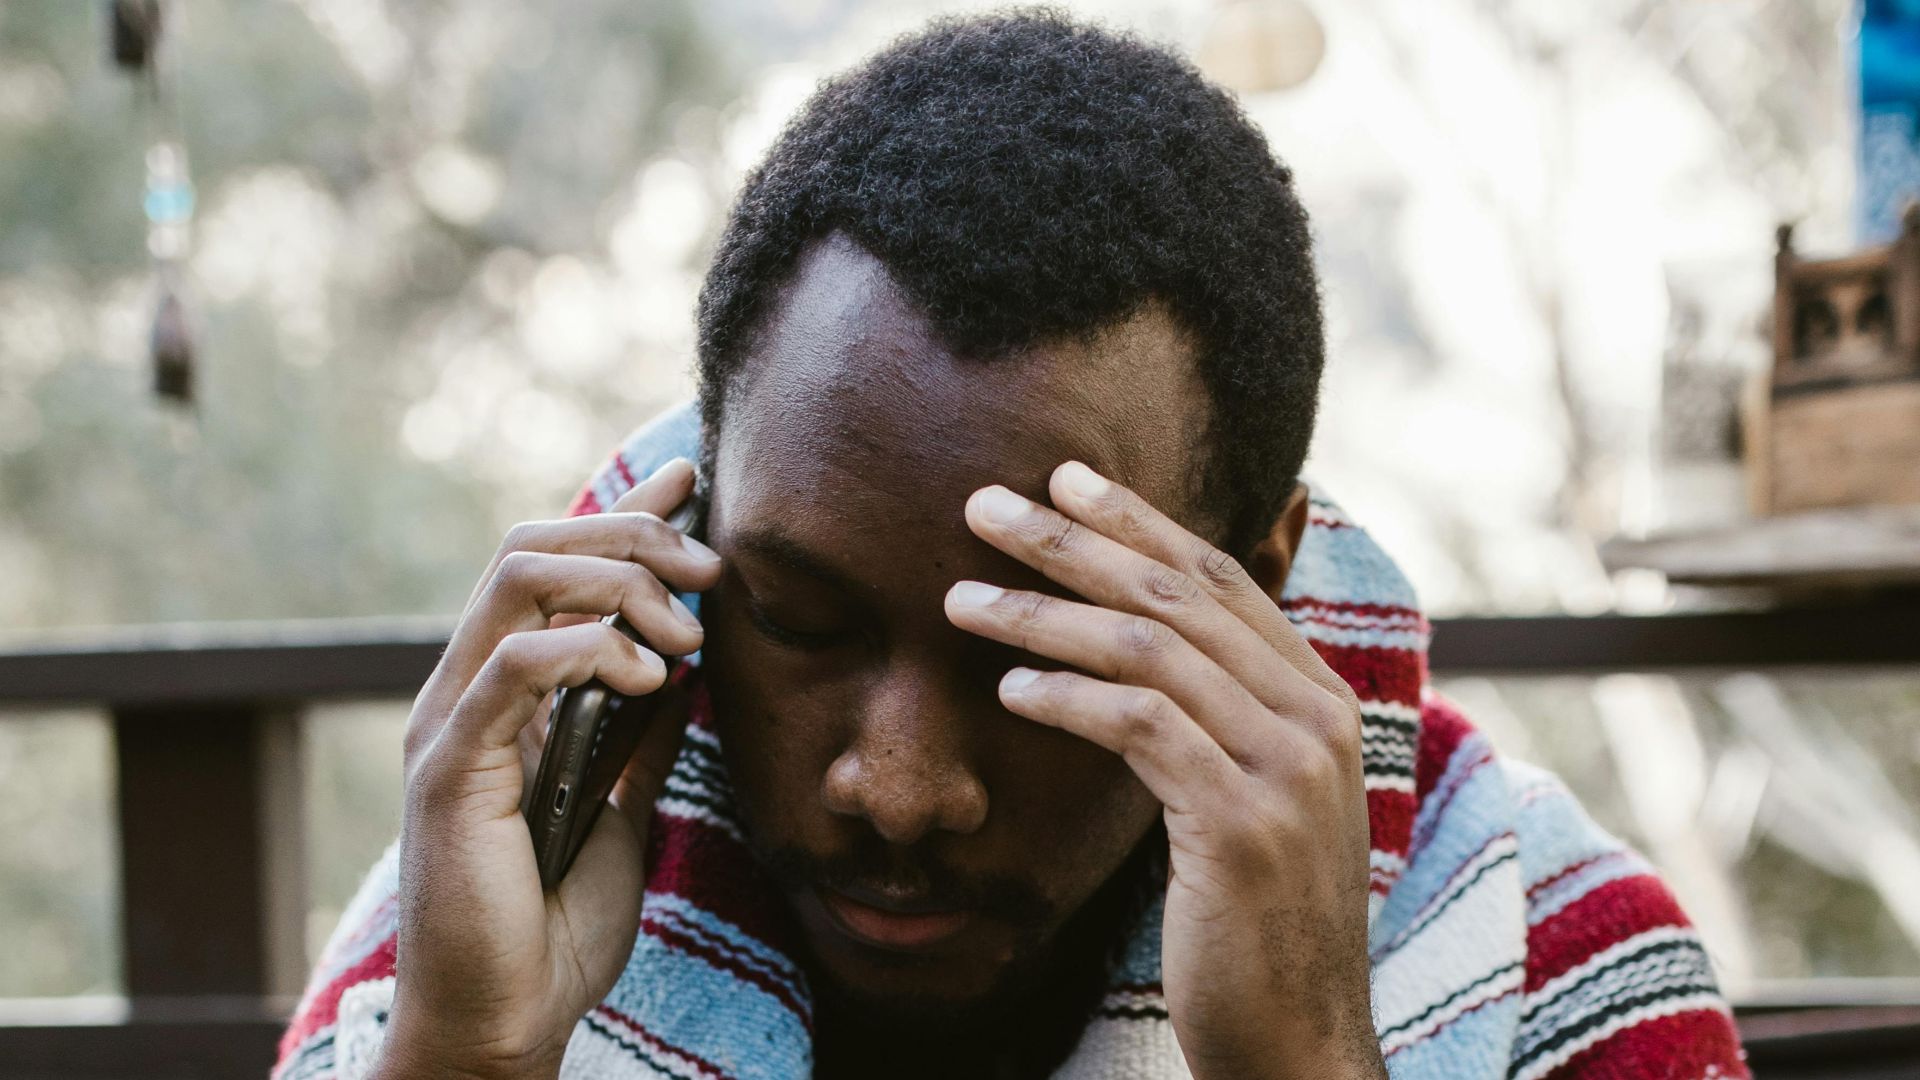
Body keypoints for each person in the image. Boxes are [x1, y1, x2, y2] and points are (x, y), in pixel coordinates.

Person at [276, 12, 1749, 1080]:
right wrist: (467, 1060)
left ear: (1267, 576)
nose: (898, 792)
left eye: (1038, 647)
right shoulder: (483, 916)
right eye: (796, 619)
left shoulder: (1555, 968)